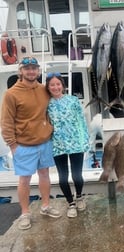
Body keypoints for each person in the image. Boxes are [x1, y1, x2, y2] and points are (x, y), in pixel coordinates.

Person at [1, 57, 61, 230]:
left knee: (44, 175)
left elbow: (54, 104)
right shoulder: (11, 94)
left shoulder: (44, 89)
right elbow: (6, 121)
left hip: (44, 142)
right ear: (21, 71)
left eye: (34, 68)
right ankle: (25, 213)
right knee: (24, 180)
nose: (31, 71)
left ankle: (45, 206)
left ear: (38, 71)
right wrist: (12, 145)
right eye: (27, 68)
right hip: (23, 145)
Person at [45, 73, 90, 218]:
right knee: (62, 178)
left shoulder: (73, 100)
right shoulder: (46, 104)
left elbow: (81, 122)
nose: (55, 87)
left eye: (58, 84)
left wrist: (85, 140)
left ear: (63, 85)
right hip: (58, 145)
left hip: (76, 143)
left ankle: (79, 196)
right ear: (48, 87)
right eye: (52, 85)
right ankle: (70, 203)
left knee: (77, 175)